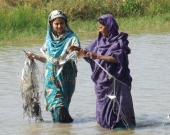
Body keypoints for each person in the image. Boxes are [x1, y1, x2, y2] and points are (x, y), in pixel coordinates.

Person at [69, 14, 136, 129]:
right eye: (99, 27)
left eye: (101, 27)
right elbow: (87, 53)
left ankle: (122, 128)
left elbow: (117, 59)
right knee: (104, 116)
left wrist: (98, 56)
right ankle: (106, 128)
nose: (99, 30)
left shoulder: (119, 42)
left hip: (117, 83)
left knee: (120, 112)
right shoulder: (98, 42)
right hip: (102, 84)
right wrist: (78, 49)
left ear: (109, 26)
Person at [26, 10, 80, 123]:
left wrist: (73, 50)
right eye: (56, 23)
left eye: (62, 23)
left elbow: (77, 54)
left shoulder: (72, 39)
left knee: (63, 107)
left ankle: (62, 127)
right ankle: (61, 127)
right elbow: (48, 60)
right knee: (57, 106)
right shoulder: (49, 41)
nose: (59, 26)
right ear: (51, 24)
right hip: (51, 79)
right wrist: (34, 56)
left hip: (66, 79)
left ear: (66, 23)